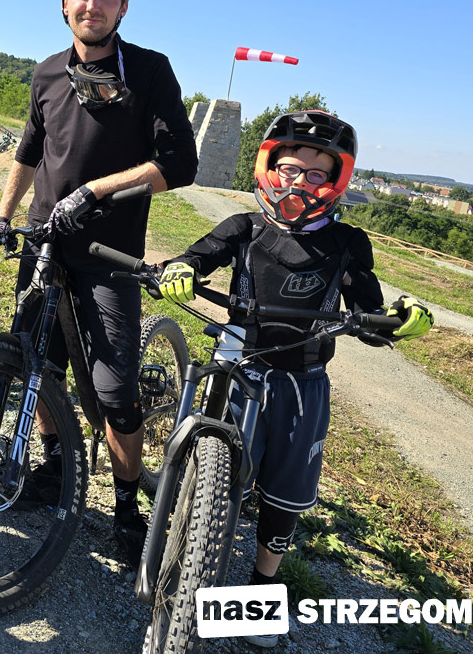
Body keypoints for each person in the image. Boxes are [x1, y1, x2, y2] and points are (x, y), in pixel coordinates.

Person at [156, 110, 433, 648]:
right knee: (203, 460)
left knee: (286, 492)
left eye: (313, 174)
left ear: (335, 181)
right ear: (267, 168)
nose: (297, 182)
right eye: (287, 168)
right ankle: (188, 535)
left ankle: (259, 593)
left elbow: (368, 305)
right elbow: (198, 255)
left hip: (303, 383)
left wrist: (398, 317)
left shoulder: (346, 243)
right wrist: (181, 269)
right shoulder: (244, 226)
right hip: (238, 367)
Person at [0, 0, 198, 566]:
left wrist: (93, 192)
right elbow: (28, 151)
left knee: (114, 391)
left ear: (123, 5)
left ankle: (128, 507)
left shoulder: (149, 71)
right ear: (64, 2)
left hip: (109, 252)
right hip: (46, 244)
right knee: (38, 367)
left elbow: (180, 163)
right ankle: (52, 468)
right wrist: (2, 216)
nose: (92, 5)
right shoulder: (47, 72)